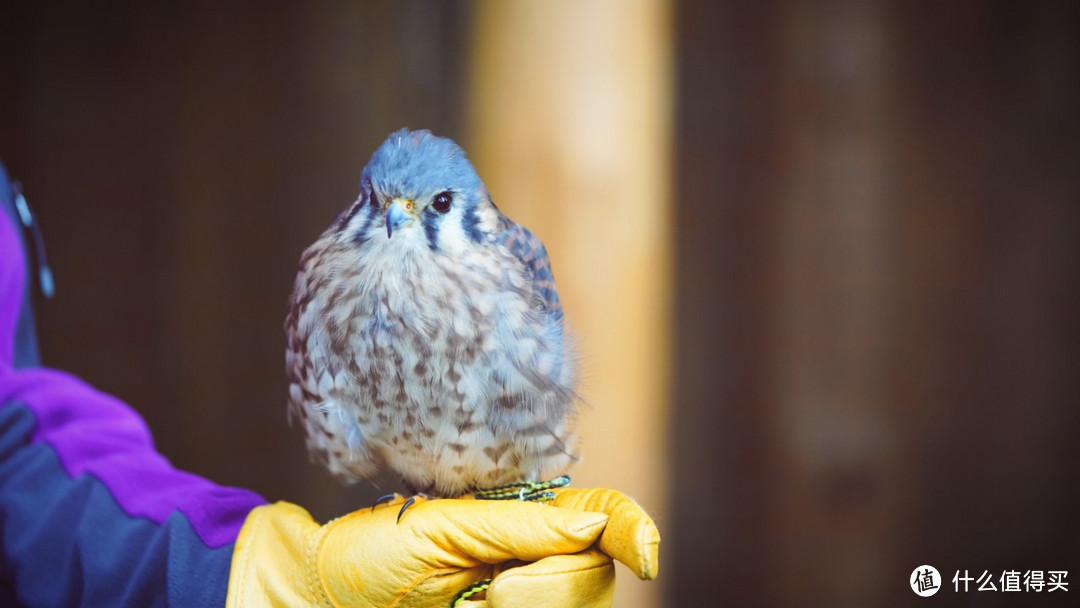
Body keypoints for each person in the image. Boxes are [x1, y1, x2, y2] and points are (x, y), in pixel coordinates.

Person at [0, 160, 659, 607]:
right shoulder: (336, 272)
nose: (401, 225)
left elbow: (15, 452)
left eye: (434, 208)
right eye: (381, 206)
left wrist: (263, 578)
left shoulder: (507, 261)